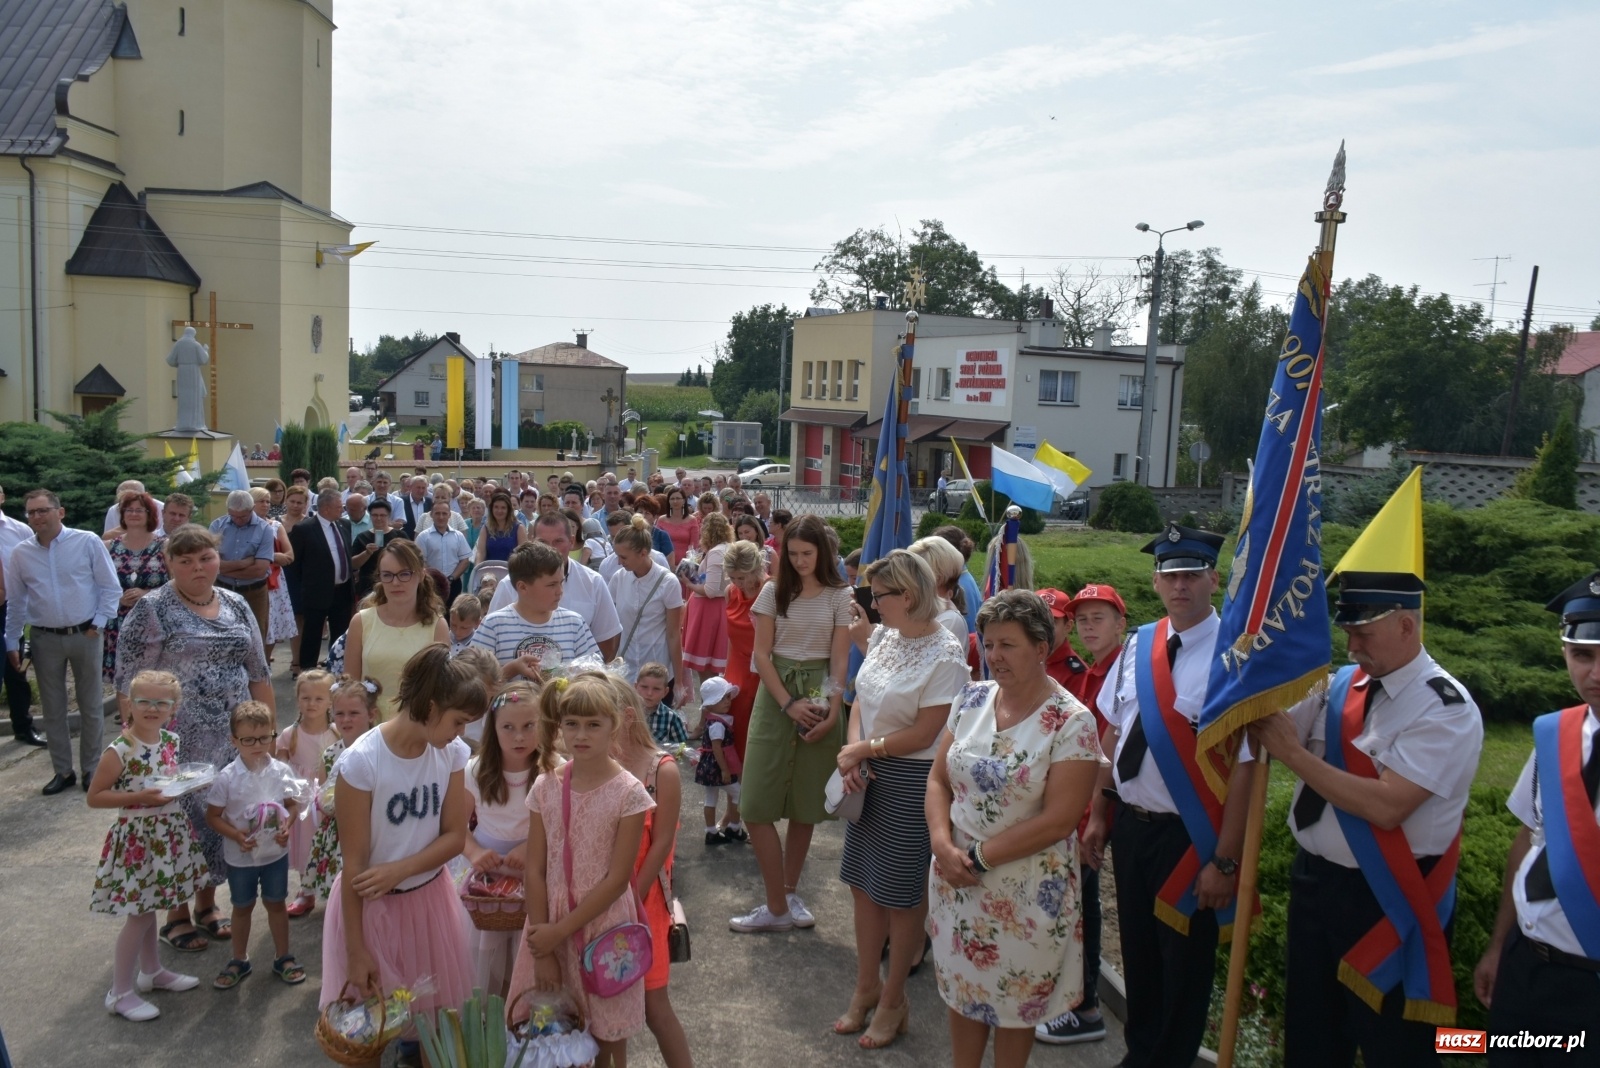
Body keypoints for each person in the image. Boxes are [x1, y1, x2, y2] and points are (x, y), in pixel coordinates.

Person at [1249, 570, 1482, 1067]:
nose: (1352, 646)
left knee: (1393, 1045)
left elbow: (1386, 805)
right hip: (1314, 882)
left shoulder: (1445, 708)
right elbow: (1272, 733)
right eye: (1347, 633)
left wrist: (1294, 754)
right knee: (1311, 1037)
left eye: (1364, 634)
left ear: (1405, 626)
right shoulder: (1339, 684)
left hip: (1388, 894)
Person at [1088, 522, 1254, 1068]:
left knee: (1183, 967)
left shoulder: (1238, 656)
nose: (1179, 585)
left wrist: (1225, 861)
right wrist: (1097, 814)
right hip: (1133, 826)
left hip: (1193, 837)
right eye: (1169, 575)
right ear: (1155, 582)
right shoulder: (1138, 645)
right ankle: (1140, 1055)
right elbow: (1112, 732)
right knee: (1137, 953)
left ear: (1214, 578)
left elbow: (1248, 769)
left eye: (1190, 574)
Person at [925, 589, 1103, 1068]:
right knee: (963, 992)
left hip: (1025, 893)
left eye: (1008, 645)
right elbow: (939, 779)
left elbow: (1060, 819)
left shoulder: (1072, 721)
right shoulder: (971, 698)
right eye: (989, 644)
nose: (994, 656)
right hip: (956, 878)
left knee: (1012, 1005)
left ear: (1041, 648)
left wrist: (979, 857)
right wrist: (942, 844)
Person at [321, 645, 486, 1068]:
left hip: (430, 905)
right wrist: (357, 951)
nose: (460, 732)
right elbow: (355, 865)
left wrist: (401, 869)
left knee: (439, 1036)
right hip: (369, 915)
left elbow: (453, 837)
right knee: (366, 1034)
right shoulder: (361, 763)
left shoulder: (451, 753)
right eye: (458, 721)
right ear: (431, 707)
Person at [115, 524, 275, 954]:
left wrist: (267, 738)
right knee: (179, 825)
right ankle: (177, 915)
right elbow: (128, 682)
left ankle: (208, 905)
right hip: (176, 742)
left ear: (217, 558)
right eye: (184, 561)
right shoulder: (153, 609)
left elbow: (259, 674)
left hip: (233, 738)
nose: (197, 567)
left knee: (221, 817)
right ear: (169, 563)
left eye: (205, 558)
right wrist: (137, 743)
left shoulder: (238, 605)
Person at [832, 549, 970, 1049]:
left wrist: (865, 749)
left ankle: (894, 999)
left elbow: (929, 732)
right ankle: (866, 985)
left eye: (877, 595)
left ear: (907, 597)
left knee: (900, 897)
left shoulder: (946, 655)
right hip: (868, 770)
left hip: (913, 781)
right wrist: (854, 753)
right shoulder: (886, 636)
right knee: (863, 886)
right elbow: (860, 698)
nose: (870, 603)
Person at [1475, 573, 1600, 1065]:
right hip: (1527, 969)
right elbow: (1530, 839)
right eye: (1583, 655)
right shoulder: (1555, 733)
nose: (1595, 673)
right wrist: (1499, 944)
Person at [507, 673, 655, 1067]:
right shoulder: (545, 786)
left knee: (609, 1040)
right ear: (559, 727)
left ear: (614, 727)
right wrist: (543, 943)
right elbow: (535, 870)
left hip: (603, 929)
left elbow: (617, 880)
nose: (581, 734)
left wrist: (559, 930)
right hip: (548, 924)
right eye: (571, 724)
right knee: (553, 1036)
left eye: (593, 724)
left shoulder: (629, 793)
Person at [731, 514, 853, 933]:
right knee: (755, 805)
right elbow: (761, 656)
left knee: (806, 802)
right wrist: (787, 704)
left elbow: (839, 658)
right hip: (776, 691)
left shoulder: (841, 595)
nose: (800, 561)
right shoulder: (772, 591)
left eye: (807, 553)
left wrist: (833, 710)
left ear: (823, 553)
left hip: (820, 687)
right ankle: (776, 902)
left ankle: (788, 891)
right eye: (793, 553)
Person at [87, 668, 208, 1021]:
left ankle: (151, 971)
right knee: (138, 916)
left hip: (167, 833)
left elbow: (168, 781)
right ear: (130, 704)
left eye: (161, 702)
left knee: (152, 905)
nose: (152, 708)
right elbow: (95, 797)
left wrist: (186, 785)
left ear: (174, 708)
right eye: (143, 701)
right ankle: (119, 992)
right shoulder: (121, 749)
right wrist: (140, 795)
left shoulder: (170, 741)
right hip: (138, 839)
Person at [1036, 582, 1127, 1046]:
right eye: (1084, 618)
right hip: (1077, 810)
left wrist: (1092, 819)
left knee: (1080, 911)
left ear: (1120, 623)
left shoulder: (1117, 674)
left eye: (1098, 618)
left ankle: (1085, 1006)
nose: (1090, 627)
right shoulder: (1097, 672)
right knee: (1076, 909)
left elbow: (1104, 757)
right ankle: (1077, 1001)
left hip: (1092, 812)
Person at [604, 673, 695, 1068]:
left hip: (644, 904)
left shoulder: (661, 769)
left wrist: (630, 899)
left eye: (596, 719)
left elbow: (661, 846)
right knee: (605, 1012)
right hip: (598, 903)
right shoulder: (592, 765)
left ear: (625, 717)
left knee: (654, 1005)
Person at [5, 488, 120, 794]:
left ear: (60, 512)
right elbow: (16, 601)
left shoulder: (86, 541)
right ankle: (63, 771)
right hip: (45, 638)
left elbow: (110, 587)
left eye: (42, 510)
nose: (36, 517)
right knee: (53, 709)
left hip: (86, 634)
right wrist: (12, 641)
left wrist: (98, 624)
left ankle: (92, 769)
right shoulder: (21, 553)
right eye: (31, 512)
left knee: (91, 705)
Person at [203, 701, 307, 991]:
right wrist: (236, 835)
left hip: (275, 854)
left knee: (276, 904)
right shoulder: (227, 778)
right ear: (234, 740)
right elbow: (212, 816)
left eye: (264, 738)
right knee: (242, 906)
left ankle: (283, 956)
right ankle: (239, 958)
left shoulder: (280, 771)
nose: (257, 745)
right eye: (248, 740)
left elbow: (292, 805)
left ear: (273, 735)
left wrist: (287, 825)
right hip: (241, 857)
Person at [464, 680, 546, 997]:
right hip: (487, 878)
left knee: (526, 950)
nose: (519, 736)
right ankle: (493, 1016)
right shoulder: (474, 771)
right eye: (508, 727)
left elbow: (563, 826)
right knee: (485, 952)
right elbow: (456, 829)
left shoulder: (555, 770)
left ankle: (519, 1013)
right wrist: (473, 853)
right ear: (492, 729)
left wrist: (531, 847)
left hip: (536, 870)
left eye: (529, 726)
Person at [343, 539, 451, 720]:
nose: (395, 582)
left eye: (404, 574)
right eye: (388, 575)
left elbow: (439, 689)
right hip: (369, 726)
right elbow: (349, 686)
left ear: (421, 575)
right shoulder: (361, 621)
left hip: (415, 724)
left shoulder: (437, 625)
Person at [303, 675, 381, 919]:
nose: (346, 720)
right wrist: (327, 801)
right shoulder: (330, 753)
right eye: (339, 714)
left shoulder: (379, 749)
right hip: (339, 831)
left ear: (372, 714)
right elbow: (324, 789)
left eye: (354, 713)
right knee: (343, 879)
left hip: (371, 827)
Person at [473, 542, 599, 679]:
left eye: (561, 582)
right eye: (552, 585)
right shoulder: (493, 626)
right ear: (522, 587)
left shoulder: (575, 624)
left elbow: (595, 677)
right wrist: (511, 670)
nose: (560, 591)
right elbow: (473, 683)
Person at [277, 670, 338, 918]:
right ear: (297, 699)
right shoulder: (289, 735)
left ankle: (334, 891)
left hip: (329, 800)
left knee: (330, 846)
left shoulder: (336, 733)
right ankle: (306, 890)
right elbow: (279, 771)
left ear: (330, 702)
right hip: (302, 803)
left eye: (318, 698)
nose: (311, 704)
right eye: (306, 698)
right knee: (306, 845)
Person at [101, 491, 169, 686]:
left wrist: (147, 594)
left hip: (155, 620)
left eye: (140, 510)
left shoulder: (165, 546)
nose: (134, 514)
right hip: (118, 621)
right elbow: (99, 586)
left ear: (150, 514)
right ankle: (126, 716)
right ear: (122, 515)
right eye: (128, 510)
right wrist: (118, 598)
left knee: (154, 678)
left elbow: (176, 585)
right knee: (123, 679)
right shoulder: (107, 547)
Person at [609, 517, 686, 686]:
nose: (619, 562)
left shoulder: (669, 582)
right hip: (626, 671)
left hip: (657, 671)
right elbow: (614, 629)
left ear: (643, 553)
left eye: (624, 557)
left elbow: (674, 635)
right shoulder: (618, 579)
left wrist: (679, 682)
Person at [289, 489, 357, 673]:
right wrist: (307, 585)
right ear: (326, 508)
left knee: (340, 633)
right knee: (312, 633)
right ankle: (307, 670)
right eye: (338, 507)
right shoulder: (304, 529)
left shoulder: (344, 525)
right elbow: (294, 565)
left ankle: (337, 668)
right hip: (316, 591)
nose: (342, 510)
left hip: (342, 590)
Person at [0, 483, 47, 746]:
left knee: (16, 671)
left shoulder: (19, 530)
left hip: (11, 609)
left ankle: (23, 727)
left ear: (3, 497)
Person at [210, 489, 276, 646]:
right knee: (220, 635)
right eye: (234, 516)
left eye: (243, 516)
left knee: (256, 637)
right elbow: (210, 565)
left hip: (254, 592)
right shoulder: (217, 525)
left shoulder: (265, 529)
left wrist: (223, 567)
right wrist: (243, 564)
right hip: (222, 590)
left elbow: (259, 570)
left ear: (252, 509)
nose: (238, 520)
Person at [721, 542, 765, 765]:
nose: (737, 583)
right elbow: (731, 638)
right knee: (733, 722)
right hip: (737, 666)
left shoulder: (770, 590)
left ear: (756, 569)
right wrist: (727, 672)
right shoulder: (731, 592)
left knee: (754, 726)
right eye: (732, 577)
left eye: (742, 577)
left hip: (762, 667)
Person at [682, 513, 733, 681]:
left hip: (709, 611)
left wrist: (688, 583)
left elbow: (710, 590)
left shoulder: (717, 552)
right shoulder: (726, 548)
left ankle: (710, 704)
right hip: (715, 608)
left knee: (705, 666)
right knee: (708, 665)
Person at [695, 675, 745, 844]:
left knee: (711, 797)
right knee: (739, 793)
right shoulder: (717, 724)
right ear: (710, 704)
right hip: (718, 766)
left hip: (709, 766)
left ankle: (711, 831)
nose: (727, 701)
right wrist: (724, 769)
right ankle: (734, 827)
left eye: (727, 697)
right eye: (721, 698)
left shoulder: (714, 720)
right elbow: (717, 748)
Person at [908, 535, 969, 646]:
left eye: (916, 573)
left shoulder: (949, 620)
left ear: (937, 578)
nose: (908, 579)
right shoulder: (924, 611)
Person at [416, 499, 473, 603]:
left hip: (454, 583)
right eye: (437, 513)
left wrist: (451, 578)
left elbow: (465, 560)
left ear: (449, 515)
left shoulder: (458, 536)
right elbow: (420, 562)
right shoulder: (423, 537)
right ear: (431, 515)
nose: (441, 517)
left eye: (444, 513)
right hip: (431, 584)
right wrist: (432, 578)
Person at [349, 498, 402, 600]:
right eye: (375, 515)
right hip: (368, 586)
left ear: (389, 516)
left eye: (382, 515)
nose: (378, 518)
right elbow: (353, 564)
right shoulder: (362, 537)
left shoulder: (399, 535)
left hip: (394, 583)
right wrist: (366, 553)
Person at [1035, 588, 1087, 691]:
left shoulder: (1076, 674)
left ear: (1068, 626)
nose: (1042, 627)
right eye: (1036, 620)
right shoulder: (1021, 658)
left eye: (1051, 621)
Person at [475, 491, 524, 579]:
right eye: (496, 507)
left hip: (512, 575)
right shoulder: (486, 528)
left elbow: (523, 554)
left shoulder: (519, 528)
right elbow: (481, 552)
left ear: (508, 510)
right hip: (489, 576)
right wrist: (477, 570)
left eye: (503, 508)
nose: (499, 511)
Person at [636, 663, 688, 747]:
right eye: (644, 687)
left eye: (656, 689)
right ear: (636, 687)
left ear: (665, 692)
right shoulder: (625, 714)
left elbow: (681, 748)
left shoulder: (672, 719)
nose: (649, 693)